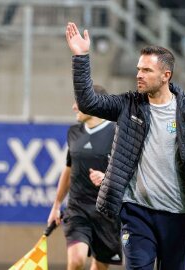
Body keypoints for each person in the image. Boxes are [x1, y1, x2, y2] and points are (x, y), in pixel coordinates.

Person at [65, 22, 185, 270]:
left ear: (166, 76)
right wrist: (81, 57)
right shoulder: (127, 105)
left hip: (178, 214)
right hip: (136, 212)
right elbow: (88, 102)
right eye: (138, 69)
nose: (139, 75)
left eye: (146, 70)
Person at [47, 85, 122, 270]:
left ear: (94, 104)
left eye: (78, 102)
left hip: (108, 212)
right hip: (77, 209)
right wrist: (56, 205)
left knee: (100, 266)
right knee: (76, 261)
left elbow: (129, 171)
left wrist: (107, 177)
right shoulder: (74, 132)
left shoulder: (117, 133)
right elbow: (68, 170)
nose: (74, 107)